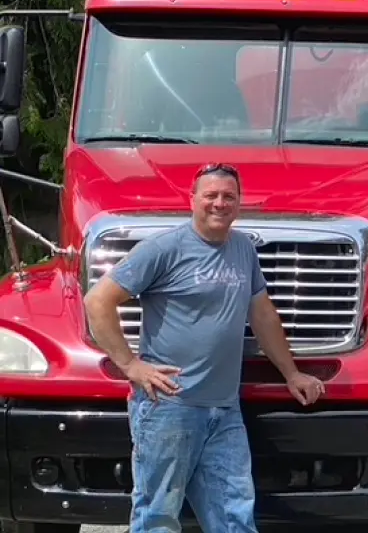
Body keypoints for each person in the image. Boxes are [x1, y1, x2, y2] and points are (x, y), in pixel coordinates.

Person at [84, 162, 326, 533]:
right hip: (169, 407)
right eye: (210, 195)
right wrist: (131, 366)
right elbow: (98, 301)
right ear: (192, 199)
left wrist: (291, 373)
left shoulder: (243, 249)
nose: (219, 203)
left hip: (224, 411)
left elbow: (262, 315)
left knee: (234, 517)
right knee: (158, 517)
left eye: (229, 196)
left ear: (239, 203)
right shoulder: (164, 248)